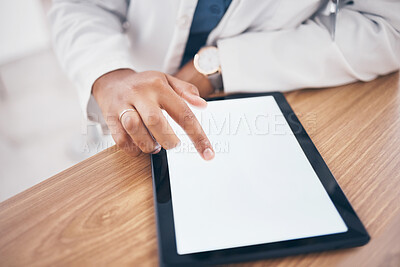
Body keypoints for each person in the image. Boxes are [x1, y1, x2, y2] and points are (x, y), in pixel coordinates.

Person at [49, 0, 400, 160]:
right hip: (133, 90)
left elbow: (386, 28)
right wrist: (108, 74)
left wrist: (220, 67)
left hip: (273, 91)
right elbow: (80, 6)